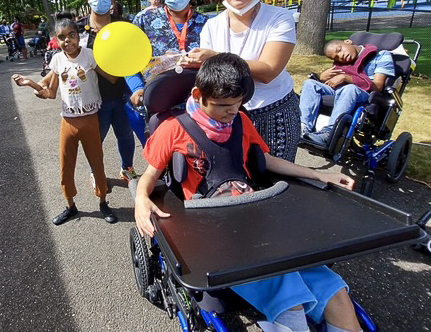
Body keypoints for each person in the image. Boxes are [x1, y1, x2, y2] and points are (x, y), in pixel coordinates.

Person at [135, 53, 362, 332]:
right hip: (210, 224)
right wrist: (141, 200)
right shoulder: (172, 129)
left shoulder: (241, 121)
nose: (232, 112)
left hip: (253, 213)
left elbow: (265, 160)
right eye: (223, 106)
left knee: (335, 291)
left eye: (238, 105)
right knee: (288, 295)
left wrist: (318, 173)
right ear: (199, 94)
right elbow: (149, 175)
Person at [186, 0, 300, 161]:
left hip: (273, 114)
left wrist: (215, 57)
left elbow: (269, 71)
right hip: (227, 118)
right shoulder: (212, 26)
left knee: (277, 183)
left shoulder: (279, 18)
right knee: (236, 183)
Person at [12, 16, 117, 226]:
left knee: (97, 164)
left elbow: (112, 78)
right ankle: (70, 206)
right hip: (68, 122)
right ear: (56, 40)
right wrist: (31, 84)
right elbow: (49, 93)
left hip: (90, 120)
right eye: (61, 37)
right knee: (65, 167)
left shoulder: (89, 56)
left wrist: (118, 59)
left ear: (79, 36)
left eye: (71, 35)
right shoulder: (57, 60)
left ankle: (103, 202)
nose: (67, 41)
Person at [81, 0, 137, 182]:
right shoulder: (79, 31)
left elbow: (135, 57)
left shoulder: (124, 26)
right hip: (94, 100)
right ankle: (96, 172)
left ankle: (127, 168)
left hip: (123, 96)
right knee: (96, 139)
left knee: (125, 136)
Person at [126, 0, 209, 107]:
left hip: (201, 104)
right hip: (159, 102)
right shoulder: (144, 20)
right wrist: (137, 88)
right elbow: (129, 59)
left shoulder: (207, 24)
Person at [301, 39, 394, 146]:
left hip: (365, 94)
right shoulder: (343, 63)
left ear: (348, 42)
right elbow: (334, 81)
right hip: (340, 90)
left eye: (339, 50)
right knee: (310, 83)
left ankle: (330, 132)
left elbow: (377, 87)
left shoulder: (381, 56)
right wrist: (322, 78)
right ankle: (303, 127)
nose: (341, 56)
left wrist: (346, 78)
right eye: (336, 57)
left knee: (350, 88)